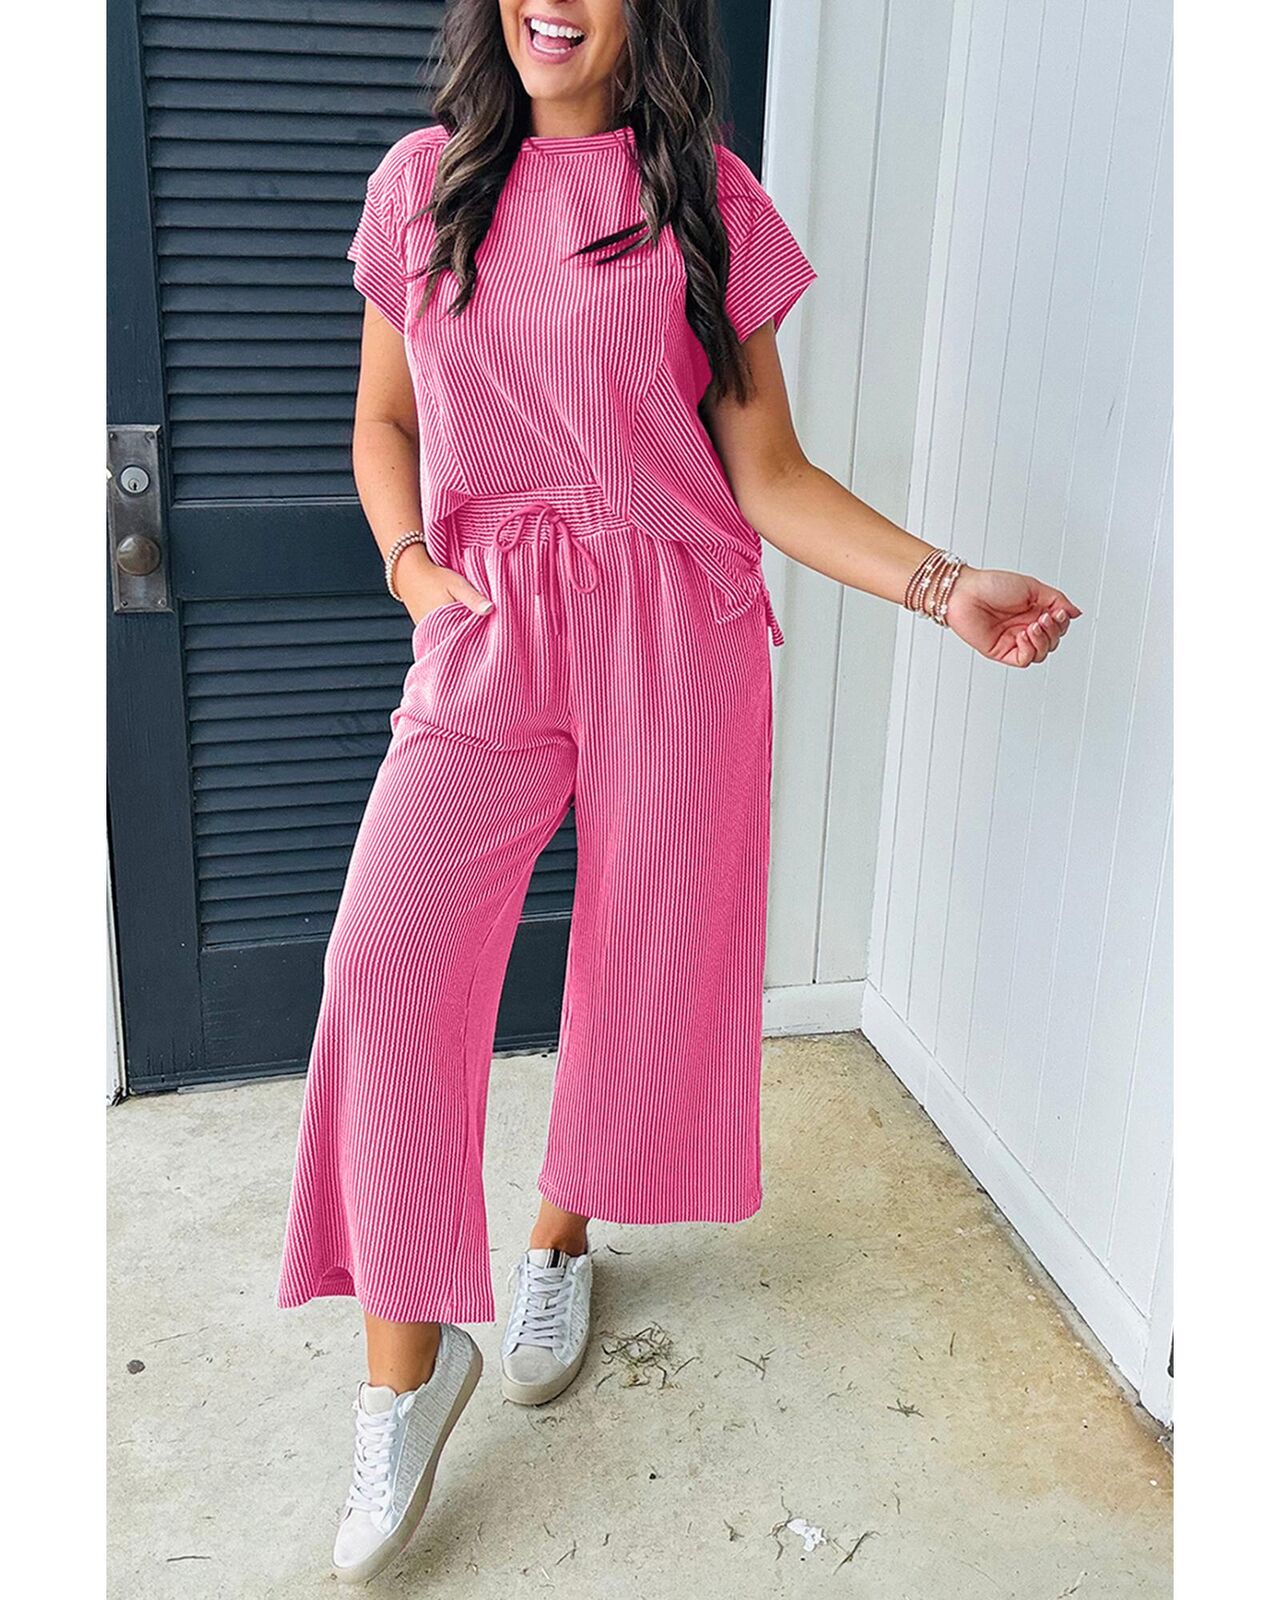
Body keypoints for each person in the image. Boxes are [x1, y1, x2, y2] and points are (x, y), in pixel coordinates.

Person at [274, 0, 1082, 1582]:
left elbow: (767, 474)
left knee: (640, 970)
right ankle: (407, 1371)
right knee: (382, 963)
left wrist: (945, 586)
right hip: (491, 623)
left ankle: (561, 1237)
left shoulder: (707, 199)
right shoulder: (423, 183)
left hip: (676, 628)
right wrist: (415, 571)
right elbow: (383, 418)